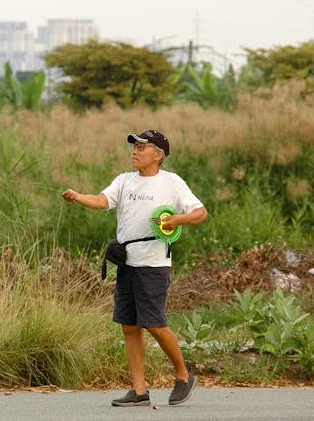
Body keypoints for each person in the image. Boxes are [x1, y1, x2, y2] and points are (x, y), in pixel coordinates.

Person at [62, 129, 208, 407]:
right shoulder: (124, 180)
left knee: (154, 325)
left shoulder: (172, 182)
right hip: (126, 263)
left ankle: (183, 375)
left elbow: (200, 213)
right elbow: (102, 200)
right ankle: (139, 391)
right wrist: (78, 196)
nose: (135, 151)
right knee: (129, 327)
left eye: (142, 147)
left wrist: (177, 220)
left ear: (158, 155)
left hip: (154, 265)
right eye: (134, 147)